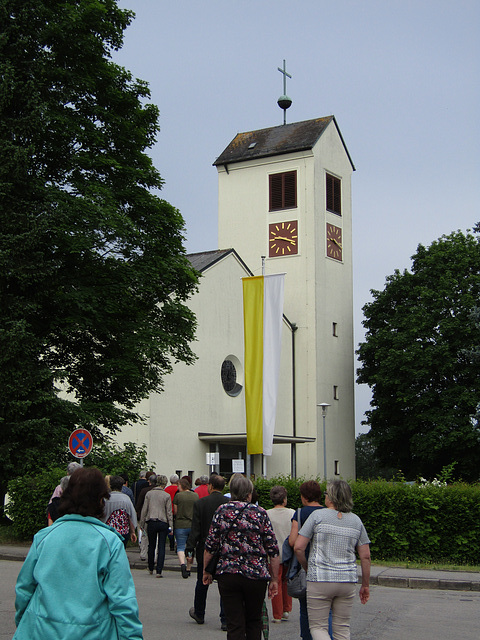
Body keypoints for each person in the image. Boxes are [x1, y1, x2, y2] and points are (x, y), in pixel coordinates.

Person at [13, 467, 143, 639]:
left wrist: (24, 623)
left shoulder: (43, 538)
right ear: (100, 500)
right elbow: (122, 601)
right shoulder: (109, 543)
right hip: (93, 632)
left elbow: (24, 589)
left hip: (40, 630)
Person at [203, 473, 280, 640]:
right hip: (256, 575)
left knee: (234, 623)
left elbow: (210, 545)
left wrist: (206, 571)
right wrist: (274, 579)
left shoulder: (222, 511)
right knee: (254, 621)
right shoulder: (260, 513)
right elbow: (272, 549)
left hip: (228, 573)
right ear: (249, 493)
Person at [294, 480, 371, 640]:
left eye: (326, 493)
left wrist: (307, 567)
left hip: (319, 579)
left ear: (332, 497)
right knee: (342, 629)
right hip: (346, 581)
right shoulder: (356, 521)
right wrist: (365, 585)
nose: (325, 497)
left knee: (318, 627)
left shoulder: (317, 516)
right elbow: (365, 556)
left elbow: (298, 547)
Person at [186, 474, 228, 629]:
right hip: (224, 548)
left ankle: (199, 612)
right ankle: (225, 619)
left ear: (210, 486)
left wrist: (189, 548)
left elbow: (195, 529)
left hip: (205, 546)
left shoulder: (201, 503)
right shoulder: (228, 503)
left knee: (202, 580)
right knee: (224, 583)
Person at [288, 480, 327, 640]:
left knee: (305, 609)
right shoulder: (328, 512)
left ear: (303, 497)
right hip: (324, 564)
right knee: (326, 609)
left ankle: (307, 637)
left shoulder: (299, 513)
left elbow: (293, 541)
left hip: (306, 564)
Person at [266, 485, 294, 623]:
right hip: (288, 552)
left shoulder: (267, 514)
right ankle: (286, 609)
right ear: (284, 499)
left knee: (275, 581)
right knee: (286, 581)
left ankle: (277, 614)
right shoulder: (292, 513)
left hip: (273, 555)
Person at [140, 474, 173, 578]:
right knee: (161, 546)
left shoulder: (149, 494)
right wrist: (171, 526)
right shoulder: (166, 496)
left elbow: (144, 509)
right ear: (164, 484)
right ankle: (159, 570)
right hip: (163, 522)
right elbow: (169, 512)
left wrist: (142, 523)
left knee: (151, 544)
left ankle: (150, 567)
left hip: (151, 521)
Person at [102, 475, 138, 548]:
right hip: (123, 531)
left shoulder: (106, 498)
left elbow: (102, 514)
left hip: (109, 530)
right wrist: (133, 532)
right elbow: (130, 516)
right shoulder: (126, 499)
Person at [173, 476, 198, 578]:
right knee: (190, 547)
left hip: (180, 524)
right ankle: (188, 567)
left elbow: (175, 511)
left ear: (182, 486)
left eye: (178, 485)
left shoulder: (178, 496)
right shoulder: (195, 496)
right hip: (192, 524)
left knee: (180, 546)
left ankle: (182, 564)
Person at [136, 473, 157, 561]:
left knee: (144, 535)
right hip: (156, 516)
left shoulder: (144, 491)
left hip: (145, 516)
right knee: (156, 537)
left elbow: (139, 504)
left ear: (149, 482)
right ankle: (155, 555)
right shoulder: (160, 492)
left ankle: (143, 553)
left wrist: (139, 515)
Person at [165, 473, 179, 550]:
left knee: (170, 528)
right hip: (176, 511)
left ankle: (171, 543)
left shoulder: (166, 489)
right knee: (177, 528)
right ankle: (177, 542)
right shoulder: (179, 489)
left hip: (169, 510)